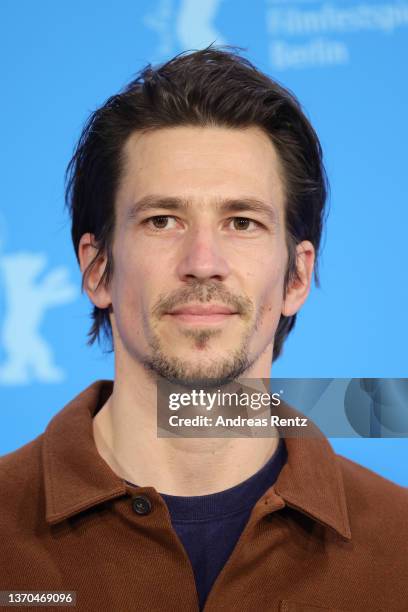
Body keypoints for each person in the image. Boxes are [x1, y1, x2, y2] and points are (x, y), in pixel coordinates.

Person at [0, 46, 406, 612]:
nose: (203, 259)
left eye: (242, 222)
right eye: (162, 220)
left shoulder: (401, 545)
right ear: (97, 270)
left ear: (296, 277)